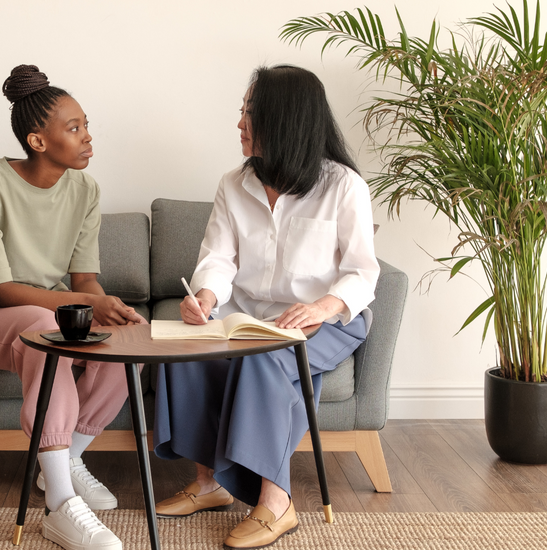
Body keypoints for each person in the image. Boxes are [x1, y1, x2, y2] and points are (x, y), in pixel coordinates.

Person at [152, 65, 379, 549]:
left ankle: (277, 502)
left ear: (284, 119)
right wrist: (205, 297)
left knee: (264, 359)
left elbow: (362, 271)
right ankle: (208, 483)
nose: (240, 123)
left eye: (250, 113)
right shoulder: (233, 184)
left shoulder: (343, 186)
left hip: (329, 319)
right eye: (242, 111)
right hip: (250, 315)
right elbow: (218, 258)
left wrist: (322, 307)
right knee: (185, 347)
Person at [0, 64, 145, 550]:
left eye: (86, 125)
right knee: (42, 328)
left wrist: (104, 307)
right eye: (74, 128)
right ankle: (60, 506)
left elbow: (83, 280)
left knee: (126, 340)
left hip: (50, 312)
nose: (87, 137)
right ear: (37, 141)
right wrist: (86, 303)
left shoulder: (86, 191)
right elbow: (1, 291)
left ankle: (64, 463)